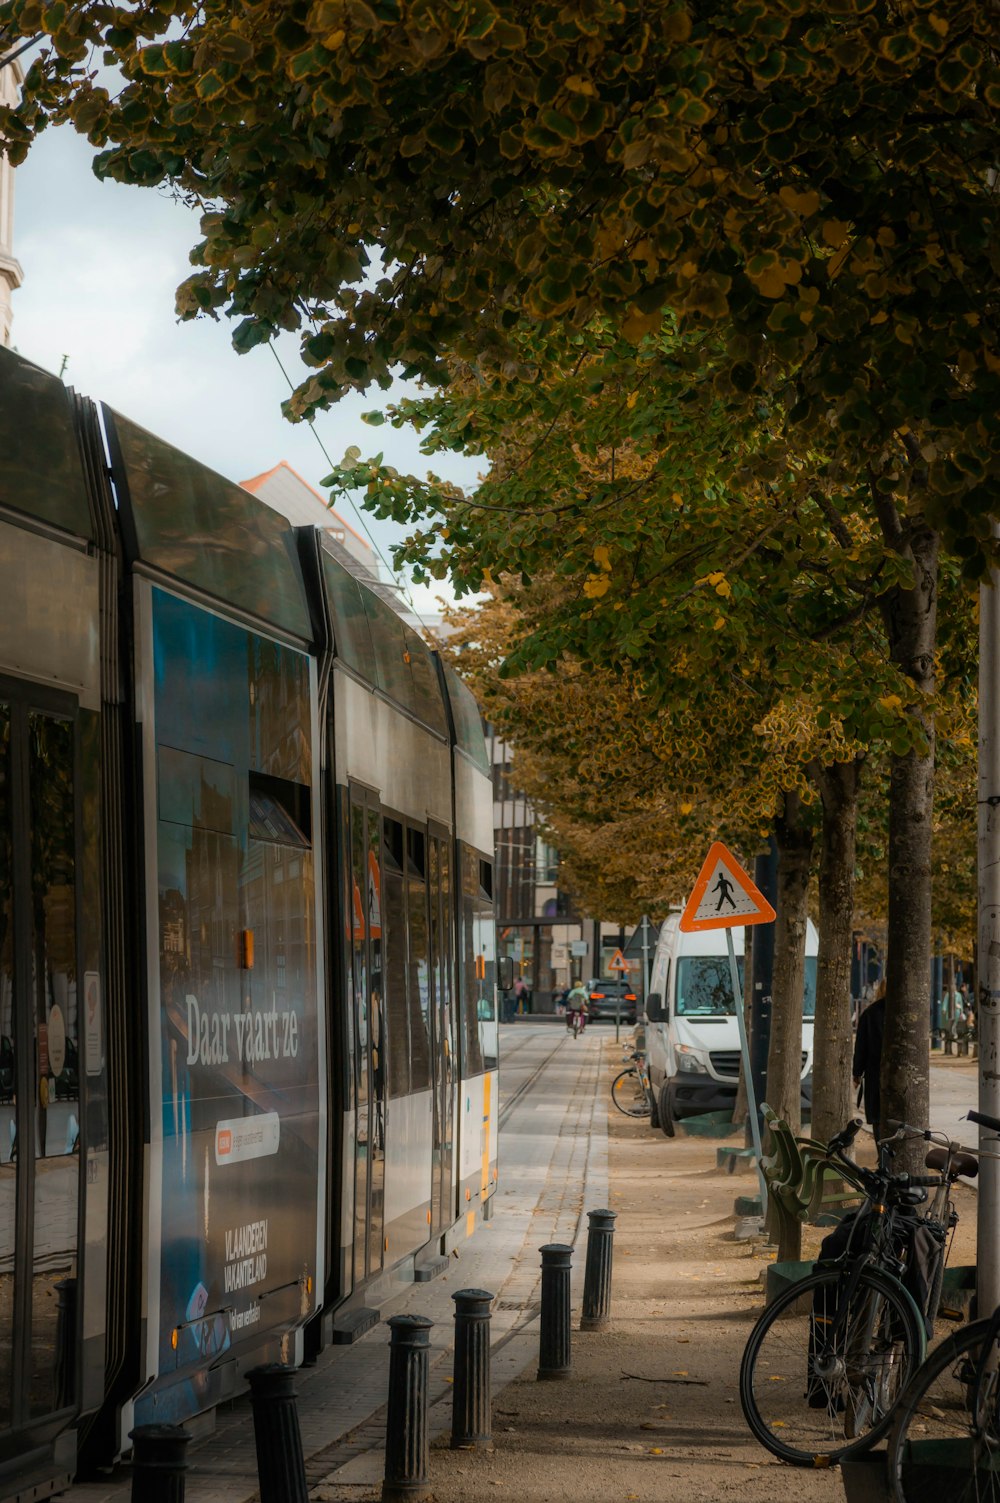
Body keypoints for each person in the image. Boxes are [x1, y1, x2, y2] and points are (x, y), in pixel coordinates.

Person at [853, 977, 886, 1139]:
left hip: (875, 1073)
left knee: (878, 1118)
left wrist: (857, 1073)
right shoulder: (905, 1012)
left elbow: (861, 1046)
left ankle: (882, 1155)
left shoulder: (870, 1013)